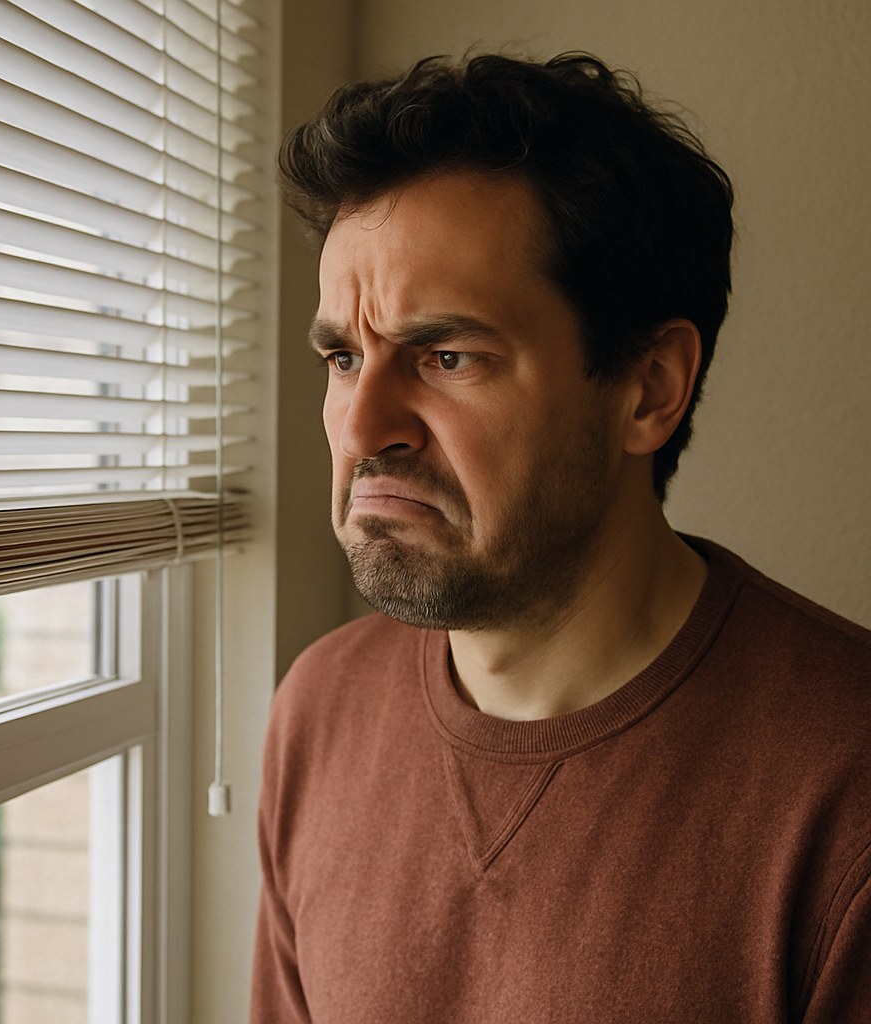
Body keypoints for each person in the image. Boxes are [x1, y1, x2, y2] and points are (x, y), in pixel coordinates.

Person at [251, 53, 871, 1023]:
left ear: (648, 387)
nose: (363, 429)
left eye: (446, 355)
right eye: (343, 356)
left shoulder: (844, 783)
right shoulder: (315, 712)